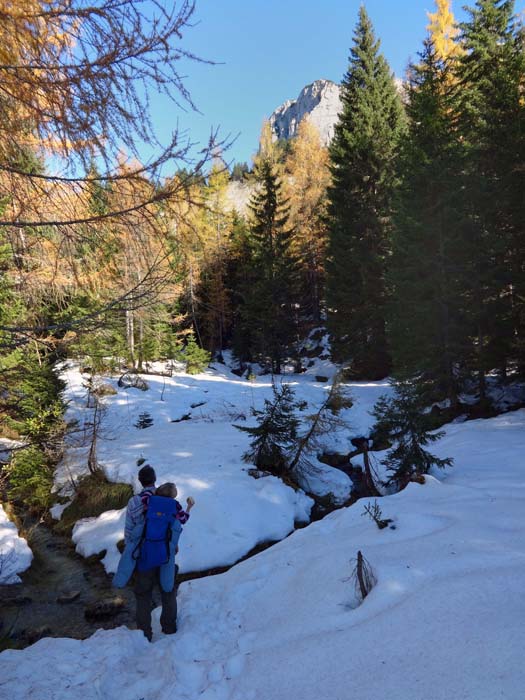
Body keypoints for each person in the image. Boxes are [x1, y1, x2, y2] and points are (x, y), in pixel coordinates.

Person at [113, 465, 195, 642]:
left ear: (140, 481)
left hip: (144, 557)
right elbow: (177, 525)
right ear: (155, 479)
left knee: (143, 594)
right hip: (166, 554)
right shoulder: (169, 502)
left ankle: (144, 634)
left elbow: (129, 531)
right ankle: (169, 628)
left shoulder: (136, 501)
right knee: (168, 589)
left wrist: (132, 551)